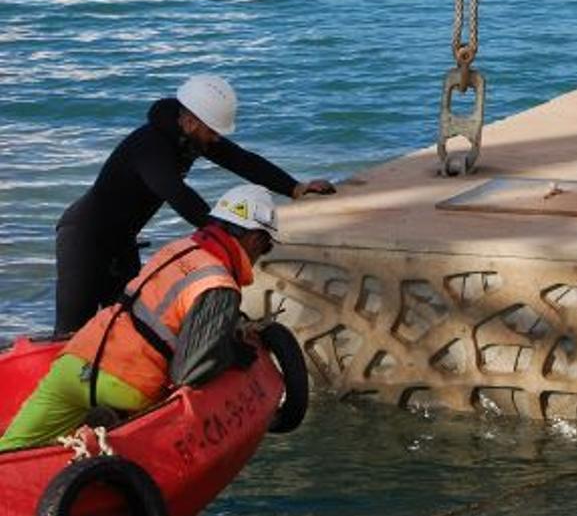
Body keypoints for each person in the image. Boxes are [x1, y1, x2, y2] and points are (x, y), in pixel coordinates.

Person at [0, 185, 280, 451]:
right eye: (265, 248)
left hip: (74, 363)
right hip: (128, 384)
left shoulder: (177, 249)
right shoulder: (218, 284)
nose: (260, 255)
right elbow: (189, 371)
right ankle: (111, 422)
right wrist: (231, 355)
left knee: (11, 450)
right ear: (254, 239)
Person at [53, 74, 336, 336]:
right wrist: (223, 234)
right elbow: (179, 195)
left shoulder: (189, 137)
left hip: (122, 242)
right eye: (212, 131)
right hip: (84, 239)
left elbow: (241, 160)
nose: (216, 138)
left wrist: (294, 187)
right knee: (72, 332)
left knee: (130, 327)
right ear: (190, 122)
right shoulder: (149, 147)